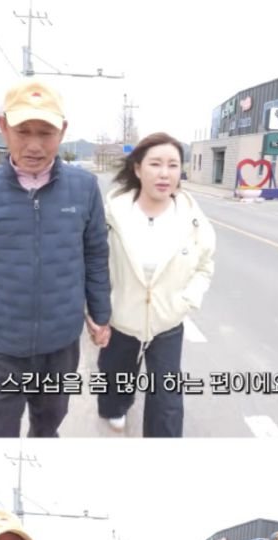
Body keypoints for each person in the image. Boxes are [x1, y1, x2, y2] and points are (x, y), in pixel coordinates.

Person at [0, 78, 112, 438]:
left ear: (63, 132)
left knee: (49, 424)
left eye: (46, 133)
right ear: (3, 127)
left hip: (62, 342)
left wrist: (100, 315)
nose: (35, 145)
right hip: (2, 343)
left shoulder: (84, 188)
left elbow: (95, 254)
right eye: (23, 131)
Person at [93, 133, 216, 437]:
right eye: (155, 164)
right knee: (115, 378)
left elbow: (205, 265)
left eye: (173, 165)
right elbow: (93, 264)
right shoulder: (112, 215)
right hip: (121, 318)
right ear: (138, 169)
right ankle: (115, 407)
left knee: (167, 399)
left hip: (167, 320)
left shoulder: (192, 220)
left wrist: (187, 300)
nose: (164, 173)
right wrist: (96, 311)